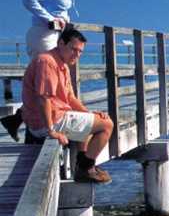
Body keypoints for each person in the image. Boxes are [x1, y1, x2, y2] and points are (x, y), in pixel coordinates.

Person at [3, 0, 94, 141]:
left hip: (53, 35)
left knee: (48, 84)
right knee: (45, 86)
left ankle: (17, 121)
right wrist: (50, 19)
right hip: (44, 35)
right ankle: (41, 130)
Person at [21, 27, 113, 184]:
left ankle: (82, 164)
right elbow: (44, 98)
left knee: (93, 122)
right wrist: (51, 131)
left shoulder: (62, 64)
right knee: (107, 125)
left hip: (54, 116)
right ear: (61, 43)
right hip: (46, 122)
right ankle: (85, 168)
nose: (76, 55)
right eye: (73, 49)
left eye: (80, 52)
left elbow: (69, 97)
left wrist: (89, 113)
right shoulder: (47, 61)